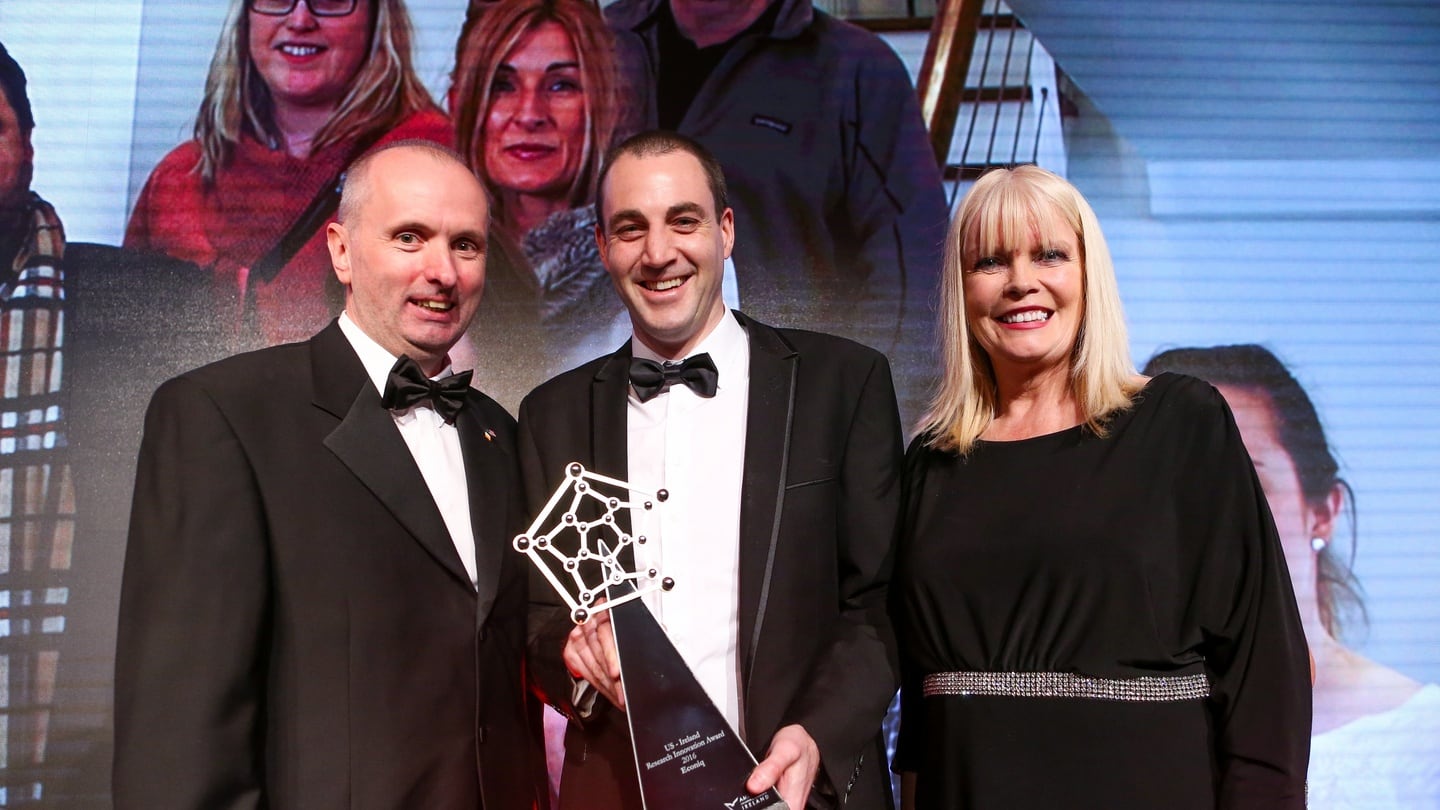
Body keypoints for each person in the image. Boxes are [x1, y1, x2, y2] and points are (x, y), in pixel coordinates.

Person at [113, 141, 542, 809]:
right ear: (341, 251)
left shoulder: (501, 436)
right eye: (409, 237)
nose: (442, 272)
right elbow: (178, 738)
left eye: (466, 245)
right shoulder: (225, 415)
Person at [890, 165, 1311, 809]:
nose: (1021, 281)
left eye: (1050, 255)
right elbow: (920, 712)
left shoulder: (1180, 422)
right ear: (961, 289)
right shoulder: (931, 460)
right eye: (991, 261)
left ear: (1090, 276)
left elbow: (1263, 665)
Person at [518, 130, 903, 810]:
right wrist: (572, 660)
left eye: (683, 221)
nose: (658, 253)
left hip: (801, 794)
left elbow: (876, 607)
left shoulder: (843, 385)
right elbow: (536, 619)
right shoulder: (551, 414)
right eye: (630, 229)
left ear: (725, 231)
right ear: (602, 247)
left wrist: (816, 736)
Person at [604, 0, 949, 421]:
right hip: (611, 416)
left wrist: (865, 428)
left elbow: (912, 286)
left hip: (790, 419)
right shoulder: (590, 46)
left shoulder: (855, 70)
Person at [1143, 344, 1440, 808]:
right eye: (1168, 488)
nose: (1203, 518)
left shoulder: (1423, 744)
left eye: (1249, 486)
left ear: (1323, 512)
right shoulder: (1111, 718)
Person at [124, 0, 451, 348]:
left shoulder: (439, 163)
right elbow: (122, 352)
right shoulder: (180, 177)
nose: (300, 20)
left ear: (376, 17)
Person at [452, 0, 630, 411]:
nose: (530, 114)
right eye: (503, 85)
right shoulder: (425, 269)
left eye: (561, 85)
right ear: (459, 102)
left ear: (609, 105)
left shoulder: (644, 266)